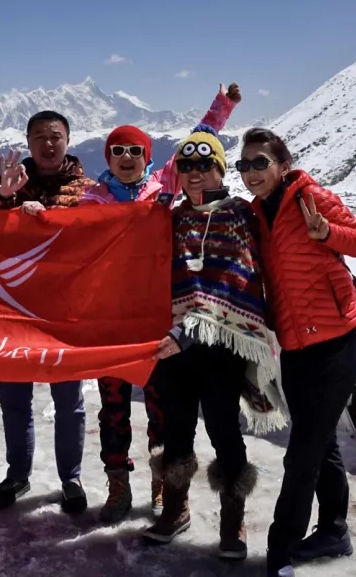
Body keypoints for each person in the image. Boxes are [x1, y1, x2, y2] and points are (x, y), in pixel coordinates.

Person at [80, 83, 242, 524]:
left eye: (136, 150)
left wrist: (222, 105)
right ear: (108, 158)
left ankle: (160, 482)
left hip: (155, 319)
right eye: (119, 150)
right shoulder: (88, 202)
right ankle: (117, 482)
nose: (128, 157)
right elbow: (59, 241)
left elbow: (198, 141)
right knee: (113, 406)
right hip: (110, 322)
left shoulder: (161, 188)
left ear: (148, 158)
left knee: (161, 408)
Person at [237, 127, 356, 577]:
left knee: (302, 451)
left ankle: (281, 548)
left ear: (282, 164)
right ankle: (334, 530)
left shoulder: (309, 197)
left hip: (338, 342)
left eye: (260, 162)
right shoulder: (256, 214)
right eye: (245, 165)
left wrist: (327, 232)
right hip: (295, 346)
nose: (252, 172)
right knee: (321, 441)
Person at [144, 124, 286, 562]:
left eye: (204, 165)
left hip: (220, 345)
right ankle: (176, 509)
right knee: (177, 428)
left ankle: (232, 519)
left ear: (220, 170)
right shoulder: (172, 217)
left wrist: (193, 326)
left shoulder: (240, 213)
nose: (194, 173)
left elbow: (236, 277)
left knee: (224, 429)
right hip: (172, 345)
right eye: (186, 165)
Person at [0, 110, 96, 515]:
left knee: (70, 401)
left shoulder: (87, 190)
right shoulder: (7, 183)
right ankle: (18, 474)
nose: (48, 144)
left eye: (56, 136)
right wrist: (5, 198)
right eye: (39, 137)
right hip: (14, 308)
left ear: (68, 141)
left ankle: (71, 478)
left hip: (67, 311)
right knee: (14, 399)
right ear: (28, 142)